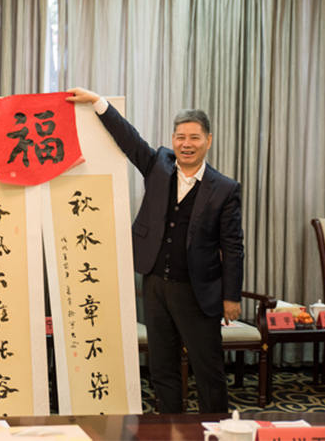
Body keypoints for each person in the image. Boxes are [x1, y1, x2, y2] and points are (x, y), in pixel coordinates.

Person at [66, 88, 243, 414]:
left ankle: (216, 429)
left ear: (208, 141)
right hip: (155, 284)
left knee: (208, 370)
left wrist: (231, 297)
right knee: (162, 366)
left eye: (194, 137)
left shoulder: (225, 188)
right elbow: (129, 139)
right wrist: (97, 102)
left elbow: (233, 247)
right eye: (180, 137)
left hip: (197, 290)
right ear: (173, 140)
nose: (186, 144)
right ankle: (170, 427)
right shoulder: (159, 165)